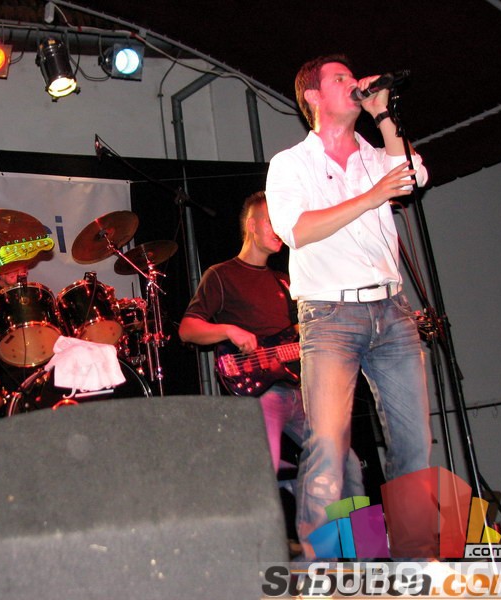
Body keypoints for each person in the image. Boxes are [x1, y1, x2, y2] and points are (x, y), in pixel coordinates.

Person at [265, 55, 432, 559]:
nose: (354, 83)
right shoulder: (291, 163)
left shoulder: (375, 156)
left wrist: (383, 116)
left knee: (414, 440)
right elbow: (297, 230)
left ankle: (414, 555)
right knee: (329, 445)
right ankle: (322, 565)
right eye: (340, 78)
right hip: (330, 316)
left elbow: (413, 177)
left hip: (392, 309)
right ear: (312, 96)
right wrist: (371, 197)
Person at [178, 191, 362, 489]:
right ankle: (277, 494)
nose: (280, 230)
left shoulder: (285, 280)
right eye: (272, 222)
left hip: (301, 391)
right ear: (252, 225)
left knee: (348, 463)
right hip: (263, 393)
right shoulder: (221, 275)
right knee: (266, 468)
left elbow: (300, 331)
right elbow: (187, 329)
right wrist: (229, 330)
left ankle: (351, 523)